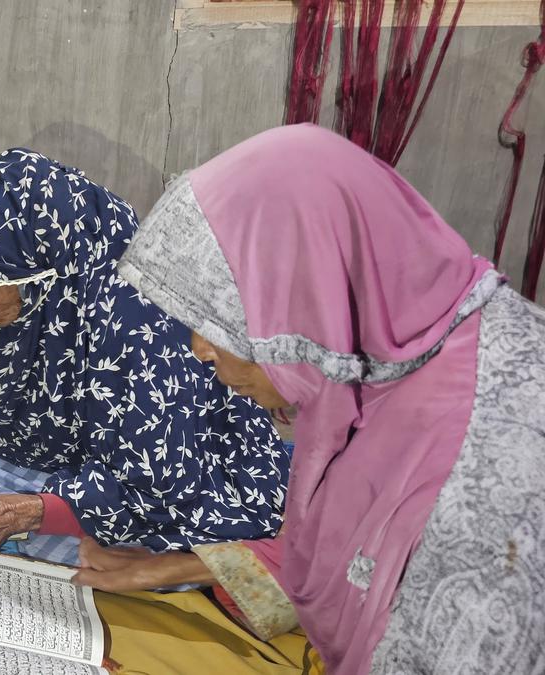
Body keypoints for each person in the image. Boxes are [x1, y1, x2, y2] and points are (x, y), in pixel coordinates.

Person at [76, 123, 545, 673]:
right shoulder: (385, 370)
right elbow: (339, 553)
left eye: (225, 313)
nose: (199, 348)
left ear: (309, 289)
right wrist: (175, 567)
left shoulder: (487, 469)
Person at [0, 148, 289, 555]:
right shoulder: (51, 296)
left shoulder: (136, 319)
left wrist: (27, 512)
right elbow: (7, 397)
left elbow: (163, 484)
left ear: (48, 273)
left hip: (196, 465)